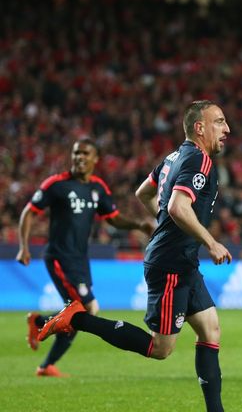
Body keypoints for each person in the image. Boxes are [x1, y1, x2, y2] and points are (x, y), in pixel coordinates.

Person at [37, 100, 232, 412]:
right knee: (160, 348)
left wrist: (168, 225)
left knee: (211, 330)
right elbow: (178, 207)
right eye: (220, 122)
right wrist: (211, 242)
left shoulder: (173, 157)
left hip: (181, 260)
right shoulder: (200, 160)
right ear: (200, 128)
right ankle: (77, 318)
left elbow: (144, 192)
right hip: (171, 264)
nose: (227, 129)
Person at [16, 138, 155, 377]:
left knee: (80, 314)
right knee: (86, 309)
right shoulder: (56, 184)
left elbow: (113, 217)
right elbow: (29, 212)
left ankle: (40, 326)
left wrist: (139, 224)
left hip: (80, 260)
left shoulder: (97, 188)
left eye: (85, 154)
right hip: (60, 257)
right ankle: (45, 356)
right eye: (76, 153)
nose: (79, 157)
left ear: (95, 159)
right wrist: (23, 246)